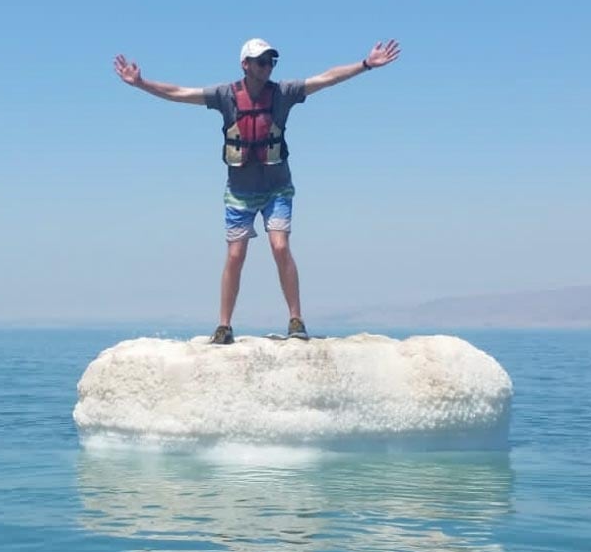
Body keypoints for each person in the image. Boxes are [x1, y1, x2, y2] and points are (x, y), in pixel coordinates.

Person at [113, 37, 400, 343]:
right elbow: (180, 93)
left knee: (279, 246)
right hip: (239, 192)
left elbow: (326, 79)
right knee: (235, 254)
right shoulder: (225, 95)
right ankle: (224, 326)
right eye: (261, 62)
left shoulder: (283, 93)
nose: (267, 67)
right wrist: (141, 83)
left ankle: (296, 321)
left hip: (277, 188)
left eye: (271, 62)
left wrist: (366, 64)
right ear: (245, 65)